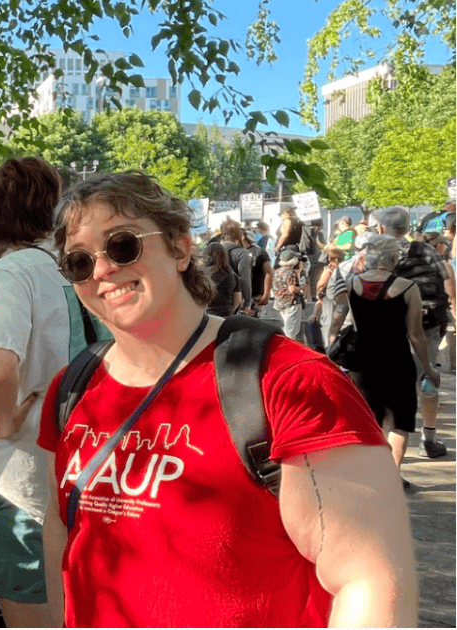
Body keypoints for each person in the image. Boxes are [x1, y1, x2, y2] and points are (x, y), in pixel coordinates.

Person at [39, 170, 416, 627]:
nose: (101, 270)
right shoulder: (70, 388)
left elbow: (370, 582)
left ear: (179, 246)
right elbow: (62, 531)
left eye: (123, 245)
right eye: (79, 262)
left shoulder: (289, 382)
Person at [0, 156, 79, 628]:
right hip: (79, 475)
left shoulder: (12, 272)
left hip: (22, 483)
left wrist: (0, 417)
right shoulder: (72, 270)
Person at [346, 235, 439, 485]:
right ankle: (391, 477)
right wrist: (428, 367)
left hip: (363, 361)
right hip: (397, 361)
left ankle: (366, 474)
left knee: (369, 418)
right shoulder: (408, 288)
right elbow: (416, 335)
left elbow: (343, 322)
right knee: (399, 422)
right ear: (394, 258)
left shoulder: (353, 283)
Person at [374, 206, 455, 458]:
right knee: (427, 377)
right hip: (429, 323)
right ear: (408, 228)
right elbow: (446, 282)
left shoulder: (376, 254)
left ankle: (387, 454)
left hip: (391, 328)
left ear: (380, 229)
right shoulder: (426, 250)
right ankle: (429, 439)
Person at [219, 219, 253, 314]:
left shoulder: (212, 250)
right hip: (233, 297)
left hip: (213, 298)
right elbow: (245, 278)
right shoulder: (242, 253)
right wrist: (247, 302)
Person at [272, 250, 306, 341]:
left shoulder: (277, 271)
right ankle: (288, 351)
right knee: (291, 332)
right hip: (291, 304)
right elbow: (292, 289)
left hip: (280, 303)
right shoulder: (290, 272)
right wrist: (301, 288)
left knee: (287, 329)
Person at [201, 241, 240, 317]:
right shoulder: (232, 275)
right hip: (226, 317)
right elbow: (238, 300)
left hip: (207, 317)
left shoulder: (202, 274)